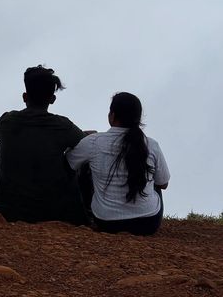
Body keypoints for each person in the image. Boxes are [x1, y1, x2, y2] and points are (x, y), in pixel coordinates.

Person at [0, 65, 91, 225]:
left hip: (7, 209)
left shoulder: (7, 121)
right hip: (55, 210)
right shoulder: (63, 126)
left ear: (24, 96)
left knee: (1, 145)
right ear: (52, 99)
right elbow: (84, 143)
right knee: (81, 151)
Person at [67, 92, 170, 235]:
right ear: (138, 119)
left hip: (107, 223)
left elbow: (70, 162)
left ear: (112, 115)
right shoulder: (151, 144)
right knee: (154, 182)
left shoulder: (93, 142)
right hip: (148, 223)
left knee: (84, 166)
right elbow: (163, 183)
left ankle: (87, 214)